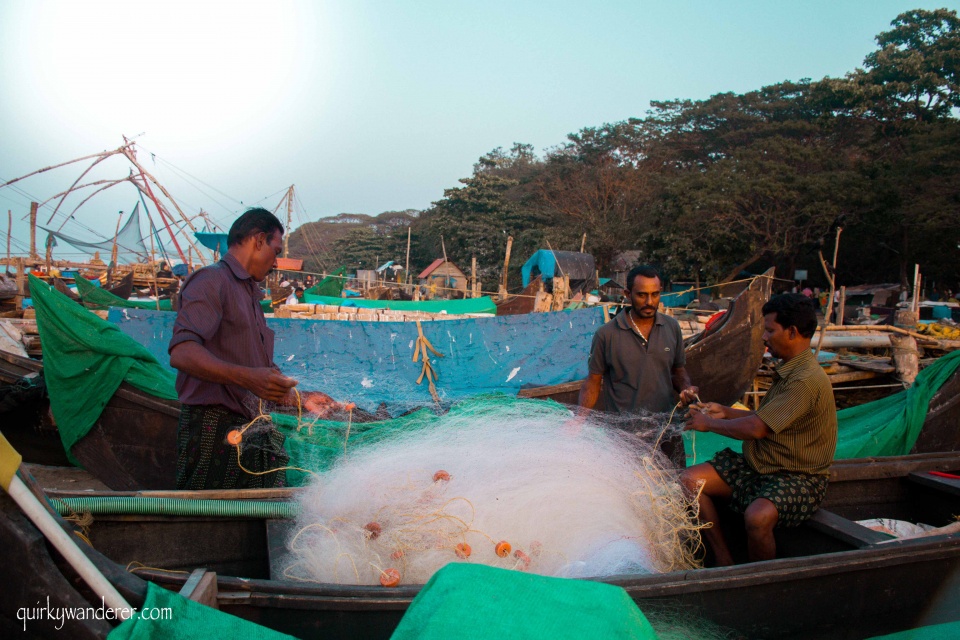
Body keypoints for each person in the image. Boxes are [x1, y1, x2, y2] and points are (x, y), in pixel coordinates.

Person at [168, 208, 326, 490]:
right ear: (258, 240)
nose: (275, 262)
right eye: (275, 251)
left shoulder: (248, 293)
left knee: (260, 519)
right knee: (213, 521)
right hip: (213, 430)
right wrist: (249, 378)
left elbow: (257, 368)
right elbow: (182, 351)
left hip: (251, 426)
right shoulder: (211, 280)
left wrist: (298, 398)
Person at [681, 293, 837, 565]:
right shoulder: (789, 370)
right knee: (689, 480)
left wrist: (710, 423)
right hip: (760, 466)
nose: (764, 337)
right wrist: (726, 411)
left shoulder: (805, 380)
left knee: (757, 517)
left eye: (769, 330)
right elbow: (769, 417)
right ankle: (724, 560)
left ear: (791, 332)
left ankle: (758, 575)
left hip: (797, 477)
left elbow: (758, 428)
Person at [578, 265, 699, 467]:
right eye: (642, 295)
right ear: (627, 294)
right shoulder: (606, 334)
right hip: (624, 435)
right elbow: (593, 381)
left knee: (675, 486)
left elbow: (678, 371)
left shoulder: (672, 327)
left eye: (655, 294)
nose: (650, 302)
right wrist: (579, 419)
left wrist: (686, 388)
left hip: (666, 430)